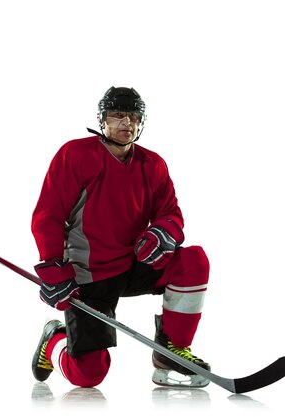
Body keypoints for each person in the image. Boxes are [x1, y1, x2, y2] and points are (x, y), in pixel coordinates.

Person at [30, 86, 211, 388]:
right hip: (90, 275)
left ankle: (171, 352)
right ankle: (54, 341)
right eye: (117, 115)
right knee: (88, 375)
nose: (126, 122)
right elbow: (47, 215)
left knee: (193, 260)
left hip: (135, 265)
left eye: (133, 116)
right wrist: (52, 265)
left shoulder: (153, 164)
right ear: (102, 121)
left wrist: (163, 232)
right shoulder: (75, 155)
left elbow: (171, 212)